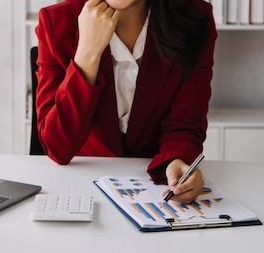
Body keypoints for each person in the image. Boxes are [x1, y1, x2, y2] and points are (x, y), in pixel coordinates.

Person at [34, 0, 217, 203]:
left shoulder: (196, 17)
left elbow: (186, 123)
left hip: (155, 191)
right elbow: (57, 147)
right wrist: (88, 52)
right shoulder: (56, 22)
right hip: (83, 190)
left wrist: (177, 161)